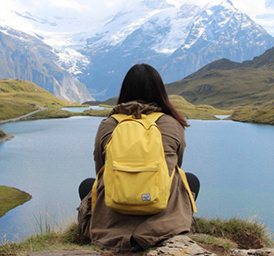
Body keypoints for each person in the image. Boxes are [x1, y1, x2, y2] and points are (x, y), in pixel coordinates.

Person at [76, 63, 199, 252]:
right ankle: (168, 224)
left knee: (87, 184)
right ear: (160, 92)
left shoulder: (108, 125)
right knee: (189, 180)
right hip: (163, 225)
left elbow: (100, 170)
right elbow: (176, 166)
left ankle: (113, 228)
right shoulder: (172, 124)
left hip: (110, 223)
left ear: (125, 90)